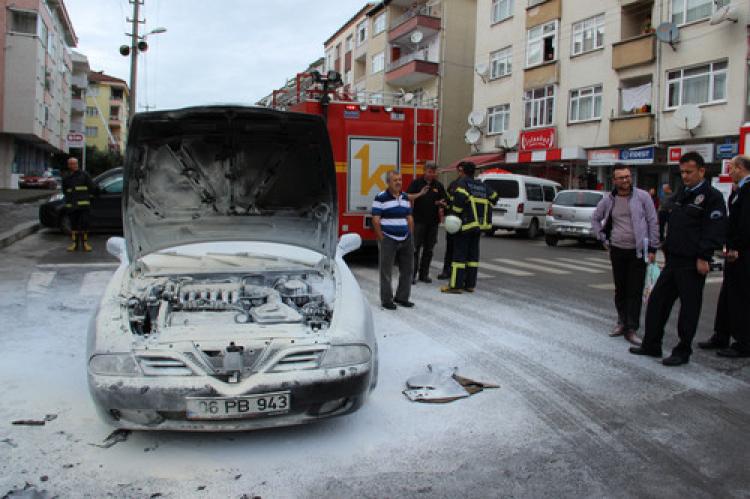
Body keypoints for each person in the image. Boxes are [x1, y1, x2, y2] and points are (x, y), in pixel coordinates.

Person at [630, 152, 727, 366]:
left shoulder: (712, 197)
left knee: (689, 309)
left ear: (702, 171)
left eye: (689, 172)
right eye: (682, 172)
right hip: (673, 259)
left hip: (692, 262)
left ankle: (682, 351)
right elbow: (666, 216)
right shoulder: (681, 193)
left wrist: (704, 256)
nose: (685, 176)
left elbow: (715, 229)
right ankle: (652, 344)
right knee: (657, 302)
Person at [591, 165, 659, 346]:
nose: (625, 180)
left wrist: (653, 248)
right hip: (617, 250)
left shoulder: (643, 197)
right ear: (614, 180)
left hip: (638, 251)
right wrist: (602, 238)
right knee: (620, 289)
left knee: (634, 291)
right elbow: (595, 218)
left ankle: (631, 328)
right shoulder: (609, 200)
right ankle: (621, 322)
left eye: (627, 177)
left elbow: (653, 221)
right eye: (621, 178)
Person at [699, 155, 750, 358]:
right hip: (735, 250)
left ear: (740, 168)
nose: (729, 172)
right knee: (728, 295)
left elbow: (746, 223)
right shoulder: (739, 190)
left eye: (731, 168)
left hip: (744, 253)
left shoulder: (748, 189)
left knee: (741, 297)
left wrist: (736, 246)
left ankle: (744, 342)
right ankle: (721, 335)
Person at [441, 161, 498, 294]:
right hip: (479, 226)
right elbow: (495, 197)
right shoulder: (482, 185)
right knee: (473, 257)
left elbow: (459, 201)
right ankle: (470, 285)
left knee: (459, 256)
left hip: (465, 224)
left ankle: (455, 286)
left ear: (463, 172)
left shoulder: (463, 183)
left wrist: (453, 213)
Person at [372, 170, 415, 310]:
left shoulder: (405, 197)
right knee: (386, 271)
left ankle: (402, 297)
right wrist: (382, 238)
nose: (398, 182)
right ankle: (386, 300)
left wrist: (410, 235)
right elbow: (376, 220)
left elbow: (409, 218)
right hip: (388, 239)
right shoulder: (380, 198)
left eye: (400, 180)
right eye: (395, 180)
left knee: (408, 270)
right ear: (388, 182)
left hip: (405, 238)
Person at [406, 162, 448, 284]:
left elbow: (444, 200)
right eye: (429, 171)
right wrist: (420, 194)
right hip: (418, 221)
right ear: (424, 171)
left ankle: (424, 275)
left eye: (434, 172)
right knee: (415, 249)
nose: (432, 174)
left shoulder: (438, 185)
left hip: (433, 222)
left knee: (429, 250)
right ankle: (412, 276)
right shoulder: (417, 183)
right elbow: (407, 196)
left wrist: (441, 203)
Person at [62, 157, 96, 252]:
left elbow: (92, 187)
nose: (73, 165)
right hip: (72, 206)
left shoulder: (84, 175)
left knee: (84, 225)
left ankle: (85, 244)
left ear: (77, 164)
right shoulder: (66, 177)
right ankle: (74, 244)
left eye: (74, 163)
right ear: (68, 165)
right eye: (71, 164)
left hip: (83, 206)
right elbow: (65, 191)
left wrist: (89, 198)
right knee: (74, 226)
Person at [438, 163, 464, 280]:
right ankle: (446, 271)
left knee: (462, 250)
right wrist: (444, 205)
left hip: (465, 222)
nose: (460, 173)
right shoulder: (453, 185)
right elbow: (447, 199)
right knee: (450, 248)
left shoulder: (470, 185)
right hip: (452, 222)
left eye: (461, 171)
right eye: (459, 171)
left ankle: (459, 273)